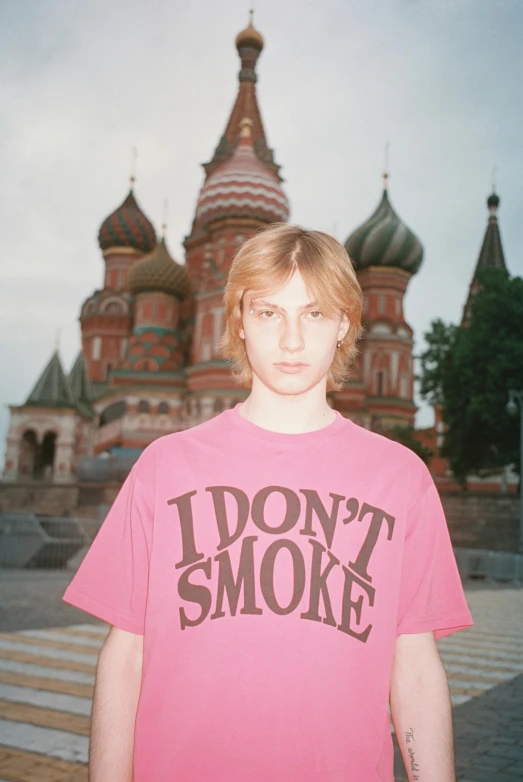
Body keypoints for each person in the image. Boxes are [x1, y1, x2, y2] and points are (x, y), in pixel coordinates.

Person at [63, 223, 473, 782]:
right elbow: (124, 656)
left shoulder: (400, 478)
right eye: (269, 313)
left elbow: (415, 667)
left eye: (314, 313)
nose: (292, 341)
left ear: (345, 324)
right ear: (237, 321)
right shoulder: (166, 467)